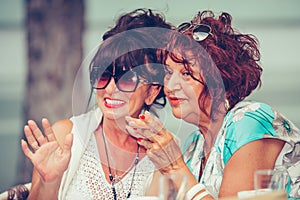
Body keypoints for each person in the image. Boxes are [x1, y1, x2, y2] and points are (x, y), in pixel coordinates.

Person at [126, 10, 300, 199]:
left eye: (186, 73)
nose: (169, 85)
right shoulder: (195, 144)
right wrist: (159, 160)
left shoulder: (249, 120)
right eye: (168, 73)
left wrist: (175, 166)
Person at [21, 8, 173, 200]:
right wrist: (49, 182)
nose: (109, 89)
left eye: (126, 79)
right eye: (104, 75)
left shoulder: (162, 156)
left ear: (151, 92)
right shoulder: (65, 136)